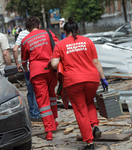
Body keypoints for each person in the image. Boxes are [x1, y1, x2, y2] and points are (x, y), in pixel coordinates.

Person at [51, 17, 108, 150]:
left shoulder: (60, 44)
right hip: (92, 79)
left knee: (80, 109)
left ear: (65, 32)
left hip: (73, 81)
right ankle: (95, 126)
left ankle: (89, 142)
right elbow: (96, 62)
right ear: (77, 30)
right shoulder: (88, 41)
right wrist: (103, 78)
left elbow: (54, 64)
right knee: (89, 102)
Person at [21, 16, 59, 141]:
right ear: (39, 25)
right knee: (52, 95)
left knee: (42, 102)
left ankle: (49, 130)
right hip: (51, 68)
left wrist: (26, 71)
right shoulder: (48, 33)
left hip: (37, 72)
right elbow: (58, 47)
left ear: (27, 28)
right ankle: (54, 120)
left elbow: (24, 61)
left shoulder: (25, 40)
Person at [13, 29, 41, 122]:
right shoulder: (40, 33)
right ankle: (38, 113)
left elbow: (15, 49)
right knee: (38, 90)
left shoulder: (22, 34)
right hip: (38, 67)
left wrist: (17, 64)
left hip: (27, 67)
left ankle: (33, 113)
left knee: (30, 91)